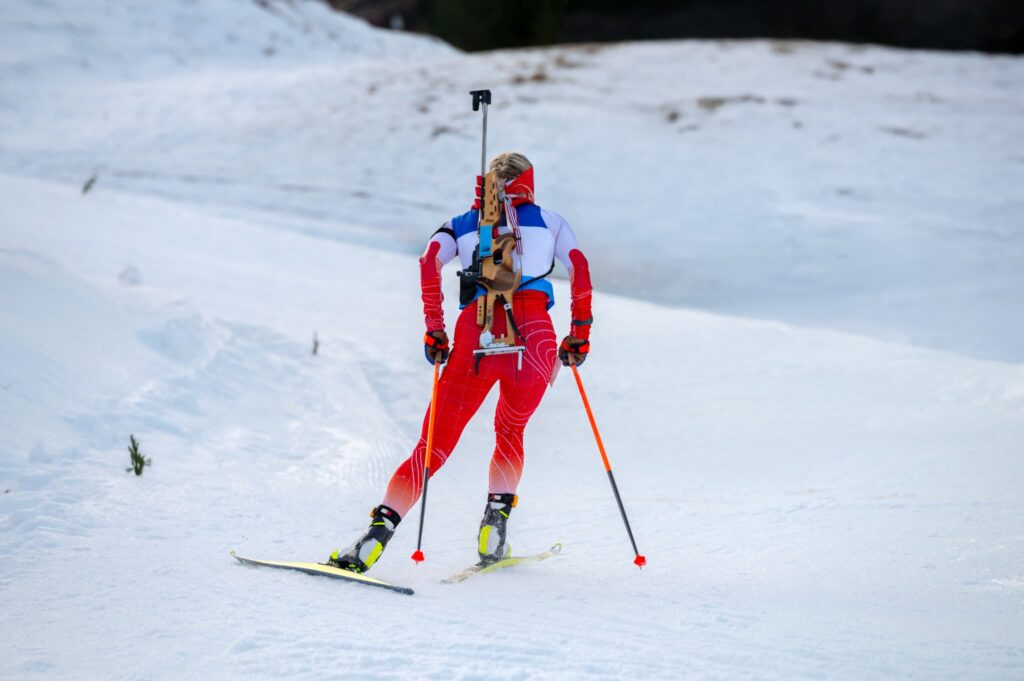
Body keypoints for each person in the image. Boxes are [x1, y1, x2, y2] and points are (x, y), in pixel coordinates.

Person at [328, 152, 593, 572]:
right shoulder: (552, 221)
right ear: (530, 181)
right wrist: (580, 333)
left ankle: (375, 536)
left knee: (433, 444)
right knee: (511, 430)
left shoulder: (463, 223)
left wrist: (435, 327)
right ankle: (494, 527)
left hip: (478, 332)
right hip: (536, 337)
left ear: (485, 182)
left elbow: (429, 261)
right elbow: (578, 266)